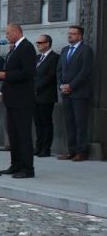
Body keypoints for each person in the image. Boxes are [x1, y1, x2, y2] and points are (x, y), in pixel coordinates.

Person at [0, 23, 37, 178]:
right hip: (11, 98)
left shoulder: (27, 47)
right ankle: (15, 164)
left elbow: (28, 72)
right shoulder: (13, 48)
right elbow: (12, 70)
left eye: (8, 33)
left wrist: (6, 75)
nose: (6, 36)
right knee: (13, 134)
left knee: (23, 134)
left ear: (17, 32)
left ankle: (27, 168)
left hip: (23, 99)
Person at [57, 25, 94, 162]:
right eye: (69, 33)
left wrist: (71, 86)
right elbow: (59, 70)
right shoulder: (65, 50)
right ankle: (71, 150)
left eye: (73, 34)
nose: (69, 36)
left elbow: (85, 72)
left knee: (80, 123)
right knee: (69, 123)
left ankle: (81, 151)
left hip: (80, 93)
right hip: (65, 93)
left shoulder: (86, 50)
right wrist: (61, 85)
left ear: (80, 36)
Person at [33, 34, 59, 157]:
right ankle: (38, 147)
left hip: (46, 95)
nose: (37, 44)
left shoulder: (54, 58)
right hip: (34, 96)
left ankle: (46, 148)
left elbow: (51, 76)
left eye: (40, 42)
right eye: (37, 43)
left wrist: (36, 87)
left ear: (47, 43)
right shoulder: (37, 58)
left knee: (46, 122)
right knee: (37, 122)